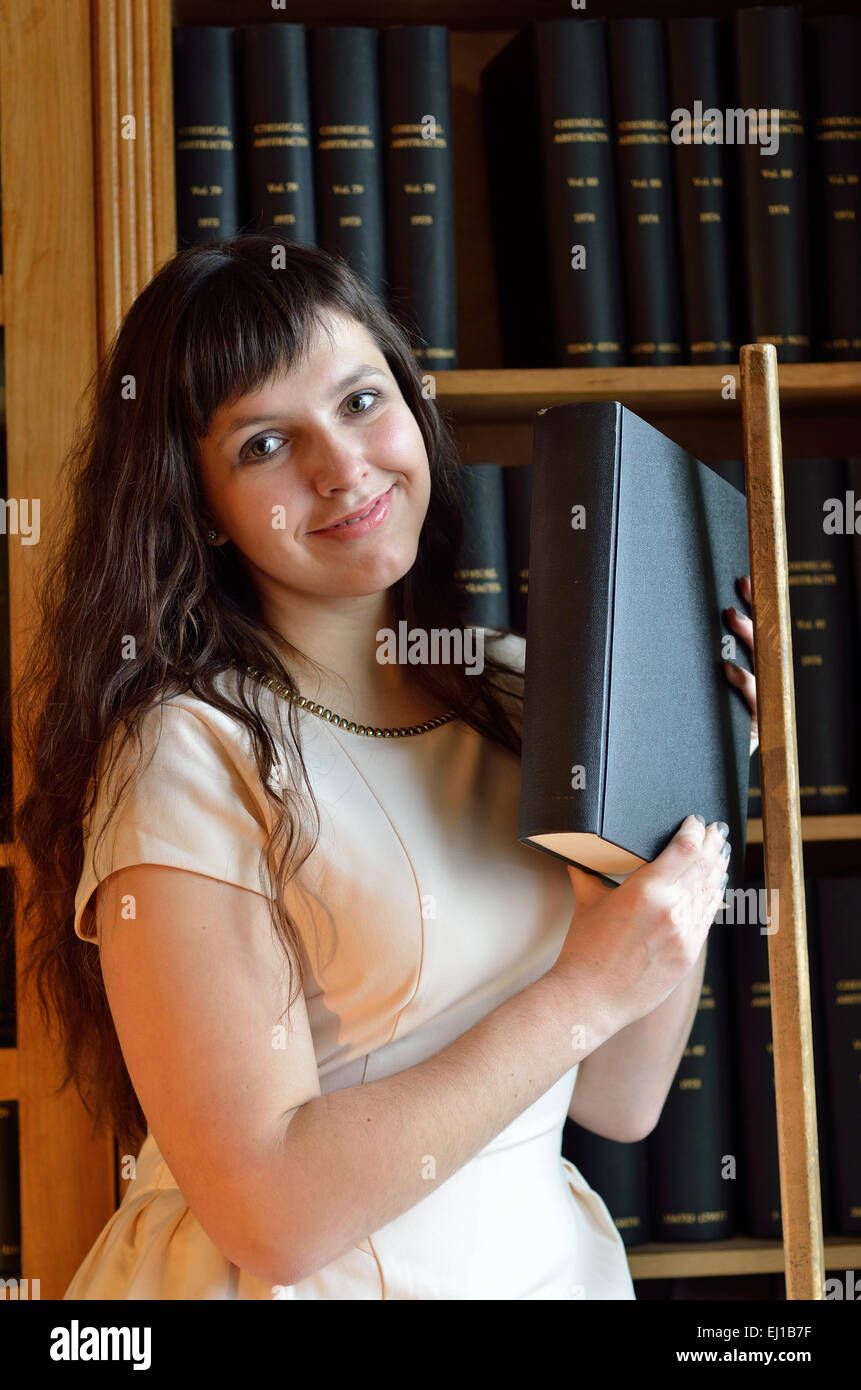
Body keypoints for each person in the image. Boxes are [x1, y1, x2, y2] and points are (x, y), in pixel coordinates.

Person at [15, 231, 758, 1300]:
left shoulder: (524, 690)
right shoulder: (185, 749)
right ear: (204, 510)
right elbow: (270, 1216)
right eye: (266, 445)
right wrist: (582, 991)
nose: (342, 466)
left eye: (362, 401)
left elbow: (620, 1097)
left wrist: (701, 769)